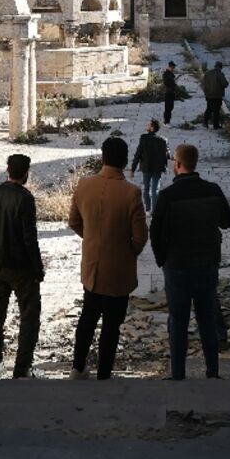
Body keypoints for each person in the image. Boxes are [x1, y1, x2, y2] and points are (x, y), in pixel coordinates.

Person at [150, 143, 230, 380]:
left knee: (178, 321)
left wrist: (161, 260)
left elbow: (155, 234)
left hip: (177, 267)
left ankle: (178, 374)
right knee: (207, 319)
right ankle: (212, 372)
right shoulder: (213, 190)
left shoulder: (166, 196)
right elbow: (227, 222)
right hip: (207, 265)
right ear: (195, 163)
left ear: (177, 164)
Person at [68, 136, 148, 380]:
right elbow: (140, 237)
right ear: (124, 161)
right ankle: (104, 374)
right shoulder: (131, 193)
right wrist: (126, 252)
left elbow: (73, 222)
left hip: (92, 267)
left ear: (102, 158)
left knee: (88, 318)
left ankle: (78, 366)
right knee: (111, 325)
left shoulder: (84, 185)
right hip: (118, 271)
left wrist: (92, 240)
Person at [0, 152, 44, 380]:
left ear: (8, 171)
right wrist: (37, 267)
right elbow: (30, 237)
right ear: (26, 173)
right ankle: (22, 368)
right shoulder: (25, 198)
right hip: (22, 268)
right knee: (29, 315)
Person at [130, 117, 169, 213]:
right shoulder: (163, 140)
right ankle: (154, 210)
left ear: (152, 128)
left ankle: (147, 209)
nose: (146, 126)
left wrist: (133, 168)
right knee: (155, 190)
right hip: (158, 168)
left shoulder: (144, 138)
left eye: (148, 125)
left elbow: (138, 154)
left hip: (146, 168)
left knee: (146, 188)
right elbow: (167, 155)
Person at [202, 60, 227, 129]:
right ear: (220, 67)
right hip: (217, 96)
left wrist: (206, 92)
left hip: (209, 95)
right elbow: (225, 84)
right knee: (216, 110)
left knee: (209, 109)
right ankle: (215, 125)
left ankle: (205, 122)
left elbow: (203, 84)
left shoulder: (207, 73)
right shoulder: (220, 74)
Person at [161, 60, 178, 125]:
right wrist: (173, 82)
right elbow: (166, 83)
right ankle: (166, 121)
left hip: (171, 92)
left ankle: (168, 120)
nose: (173, 69)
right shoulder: (166, 74)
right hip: (168, 93)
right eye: (173, 68)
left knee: (171, 107)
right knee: (168, 107)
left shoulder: (170, 74)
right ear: (170, 67)